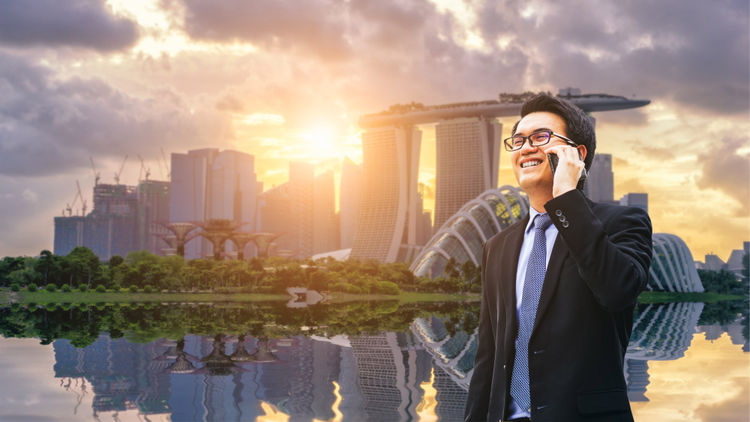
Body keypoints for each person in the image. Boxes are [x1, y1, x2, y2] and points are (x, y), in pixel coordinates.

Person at [464, 94, 652, 422]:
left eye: (540, 137)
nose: (526, 147)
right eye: (518, 140)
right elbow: (488, 357)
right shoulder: (497, 246)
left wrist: (566, 194)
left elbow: (617, 290)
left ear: (577, 155)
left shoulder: (621, 222)